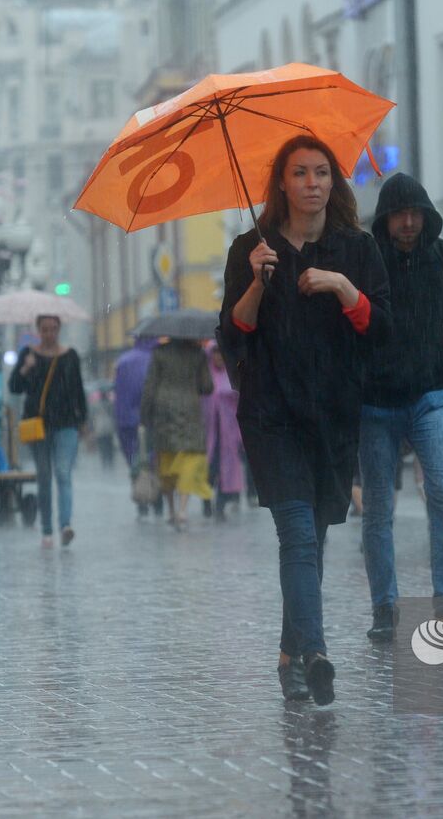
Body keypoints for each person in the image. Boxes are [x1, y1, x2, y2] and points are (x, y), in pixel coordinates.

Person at [219, 134, 390, 706]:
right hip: (271, 414)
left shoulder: (358, 249)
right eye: (300, 173)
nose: (312, 183)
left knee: (311, 540)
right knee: (295, 533)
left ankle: (289, 656)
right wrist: (256, 283)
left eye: (321, 173)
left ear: (332, 183)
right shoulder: (252, 246)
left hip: (333, 416)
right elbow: (232, 333)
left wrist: (343, 287)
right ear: (282, 184)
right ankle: (316, 653)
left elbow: (381, 329)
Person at [358, 172, 443, 643]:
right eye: (399, 216)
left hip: (431, 397)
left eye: (415, 215)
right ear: (384, 221)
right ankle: (385, 607)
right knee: (378, 508)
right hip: (375, 403)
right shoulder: (366, 264)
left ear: (426, 216)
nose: (408, 223)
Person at [8, 314, 88, 548]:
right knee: (44, 477)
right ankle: (46, 530)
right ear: (38, 330)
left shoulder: (70, 356)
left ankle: (65, 525)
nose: (49, 333)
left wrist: (83, 422)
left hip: (66, 424)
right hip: (38, 425)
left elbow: (78, 391)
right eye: (45, 329)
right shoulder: (29, 355)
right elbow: (14, 387)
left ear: (59, 329)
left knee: (63, 473)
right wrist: (25, 369)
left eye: (53, 329)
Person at [141, 337, 214, 530]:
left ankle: (171, 510)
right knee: (188, 458)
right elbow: (207, 387)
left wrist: (144, 414)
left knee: (167, 460)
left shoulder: (159, 353)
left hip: (164, 411)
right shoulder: (198, 354)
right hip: (190, 410)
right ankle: (183, 509)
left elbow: (150, 387)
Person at [114, 335, 159, 515]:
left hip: (126, 420)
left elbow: (118, 393)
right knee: (153, 457)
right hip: (151, 418)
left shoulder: (123, 361)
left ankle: (140, 494)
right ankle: (156, 496)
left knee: (134, 458)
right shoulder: (155, 359)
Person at [203, 342, 245, 518]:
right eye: (215, 353)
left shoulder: (232, 376)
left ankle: (220, 505)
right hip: (208, 434)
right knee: (208, 471)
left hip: (229, 434)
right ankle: (206, 502)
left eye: (221, 353)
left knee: (225, 471)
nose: (218, 357)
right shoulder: (205, 376)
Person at [91, 390, 116, 470]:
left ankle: (104, 464)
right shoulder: (110, 405)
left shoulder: (95, 406)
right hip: (109, 429)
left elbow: (92, 418)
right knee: (109, 448)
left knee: (102, 448)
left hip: (99, 430)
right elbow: (113, 416)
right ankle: (110, 463)